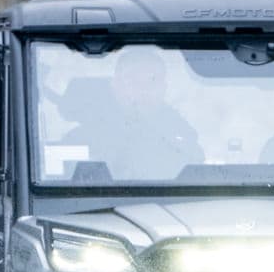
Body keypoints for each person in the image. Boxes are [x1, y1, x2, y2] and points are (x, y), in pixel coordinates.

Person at [62, 45, 203, 180]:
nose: (143, 88)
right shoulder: (80, 140)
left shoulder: (184, 142)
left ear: (163, 88)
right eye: (132, 80)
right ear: (115, 85)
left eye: (152, 80)